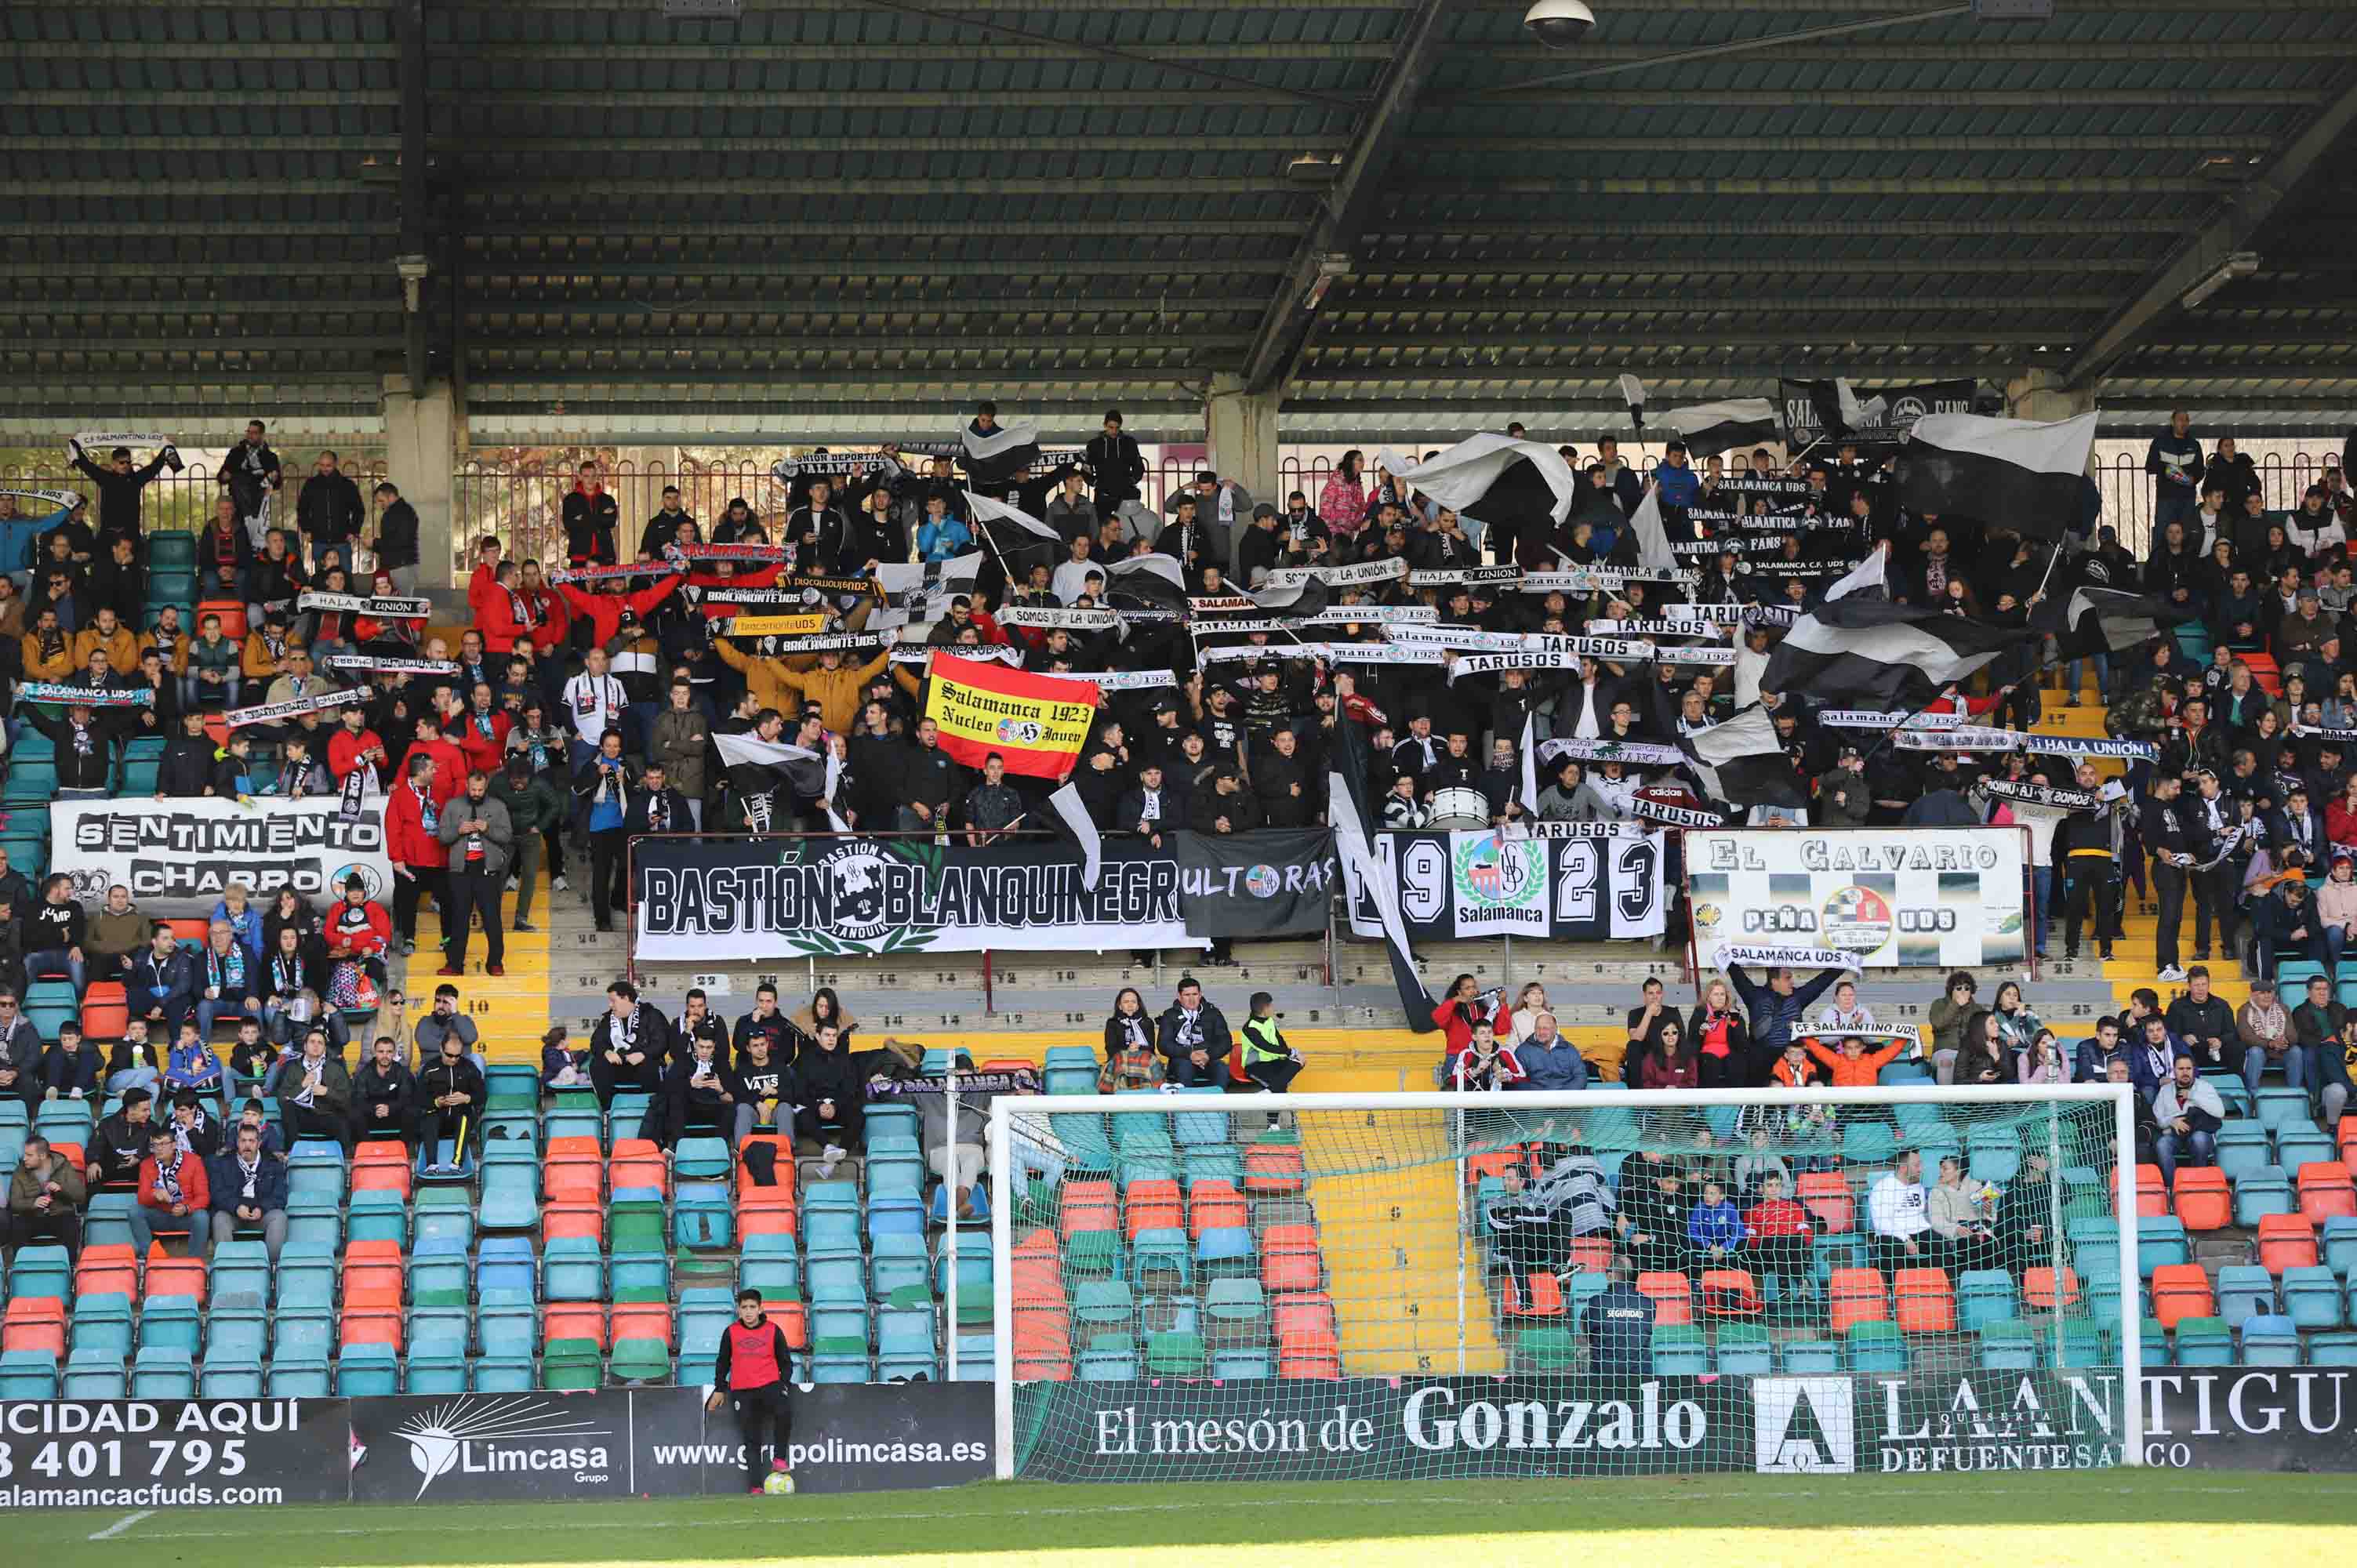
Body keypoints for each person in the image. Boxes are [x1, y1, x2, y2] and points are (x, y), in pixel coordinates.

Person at [707, 1288, 795, 1496]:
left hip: (770, 1385)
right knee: (751, 1438)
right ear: (738, 1310)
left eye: (752, 1307)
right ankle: (756, 1487)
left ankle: (779, 1458)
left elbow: (786, 1362)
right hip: (742, 1390)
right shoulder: (730, 1332)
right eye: (744, 1307)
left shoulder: (774, 1330)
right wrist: (720, 1388)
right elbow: (722, 1363)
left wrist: (783, 1384)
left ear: (760, 1309)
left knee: (784, 1412)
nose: (748, 1312)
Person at [435, 768, 513, 976]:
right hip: (460, 871)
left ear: (486, 787)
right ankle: (454, 964)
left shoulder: (498, 806)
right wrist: (458, 831)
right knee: (458, 919)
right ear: (467, 787)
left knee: (492, 919)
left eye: (480, 789)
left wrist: (488, 829)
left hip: (488, 871)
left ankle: (495, 963)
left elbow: (507, 836)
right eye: (473, 789)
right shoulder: (453, 805)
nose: (476, 792)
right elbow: (442, 835)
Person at [205, 1120, 288, 1261]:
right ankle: (226, 1264)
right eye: (243, 1141)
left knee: (279, 1217)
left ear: (259, 1143)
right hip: (233, 1214)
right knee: (219, 1218)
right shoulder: (223, 1163)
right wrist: (236, 1207)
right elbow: (217, 1193)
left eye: (251, 1141)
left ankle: (272, 1265)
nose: (247, 1145)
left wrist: (262, 1209)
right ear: (237, 1143)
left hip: (262, 1214)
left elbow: (280, 1196)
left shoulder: (273, 1165)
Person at [1725, 962, 1845, 1059]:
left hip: (1791, 1055)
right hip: (1762, 1057)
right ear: (1774, 981)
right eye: (1788, 978)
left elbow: (1823, 981)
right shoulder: (1755, 996)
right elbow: (1736, 974)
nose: (1793, 982)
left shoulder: (1798, 997)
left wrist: (1845, 961)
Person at [129, 1123, 210, 1256]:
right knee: (135, 1211)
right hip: (160, 1215)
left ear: (173, 1145)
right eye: (155, 1145)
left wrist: (187, 1208)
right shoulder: (146, 1164)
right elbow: (142, 1198)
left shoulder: (194, 1161)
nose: (158, 1149)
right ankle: (151, 1256)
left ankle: (195, 1261)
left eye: (163, 1144)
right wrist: (154, 1194)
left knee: (202, 1217)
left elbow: (203, 1197)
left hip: (186, 1216)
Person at [6, 1134, 85, 1261]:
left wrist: (61, 1189)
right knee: (17, 1227)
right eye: (25, 1154)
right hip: (31, 1216)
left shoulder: (64, 1167)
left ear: (42, 1156)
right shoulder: (20, 1171)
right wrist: (33, 1203)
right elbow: (15, 1202)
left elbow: (80, 1196)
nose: (24, 1159)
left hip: (60, 1214)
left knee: (71, 1227)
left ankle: (69, 1268)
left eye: (29, 1155)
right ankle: (20, 1267)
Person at [590, 982, 667, 1108]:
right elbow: (596, 1042)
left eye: (613, 1001)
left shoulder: (651, 1014)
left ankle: (651, 1110)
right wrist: (607, 1052)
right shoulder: (609, 1019)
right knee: (597, 1064)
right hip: (619, 1066)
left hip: (644, 1065)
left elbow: (662, 1042)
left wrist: (644, 1054)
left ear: (625, 998)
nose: (610, 1005)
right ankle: (609, 1110)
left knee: (650, 1064)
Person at [274, 1027, 352, 1152]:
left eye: (320, 1043)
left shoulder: (336, 1068)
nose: (316, 1045)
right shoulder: (292, 1067)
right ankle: (291, 1153)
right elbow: (282, 1098)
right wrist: (303, 1086)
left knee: (344, 1118)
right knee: (288, 1108)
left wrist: (327, 1092)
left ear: (325, 1049)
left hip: (327, 1116)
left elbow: (347, 1100)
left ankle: (347, 1158)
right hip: (302, 1118)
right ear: (305, 1047)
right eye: (312, 1042)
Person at [2152, 1055, 2224, 1185]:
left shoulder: (2205, 1087)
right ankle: (2173, 1188)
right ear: (2174, 1070)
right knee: (2162, 1144)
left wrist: (2193, 1096)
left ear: (2193, 1070)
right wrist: (2172, 1121)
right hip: (2175, 1135)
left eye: (2188, 1068)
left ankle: (2198, 1184)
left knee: (2199, 1140)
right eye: (2181, 1069)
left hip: (2200, 1132)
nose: (2185, 1072)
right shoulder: (2165, 1090)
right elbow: (2158, 1119)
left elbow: (2220, 1112)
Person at [416, 1032, 485, 1163]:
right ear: (441, 1049)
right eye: (450, 1055)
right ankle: (431, 1164)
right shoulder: (430, 1068)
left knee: (464, 1117)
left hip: (460, 1117)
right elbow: (418, 1098)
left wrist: (467, 1098)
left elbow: (482, 1095)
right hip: (437, 1116)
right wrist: (436, 1102)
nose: (454, 1059)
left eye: (457, 1056)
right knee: (429, 1117)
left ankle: (457, 1163)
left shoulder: (469, 1068)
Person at [1742, 1171, 1813, 1298]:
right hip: (1768, 1250)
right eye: (1769, 1185)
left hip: (1793, 1249)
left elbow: (1805, 1231)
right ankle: (1785, 1285)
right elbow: (1751, 1239)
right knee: (1780, 1241)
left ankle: (1802, 1283)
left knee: (1794, 1239)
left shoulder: (1794, 1207)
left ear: (1781, 1187)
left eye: (1777, 1185)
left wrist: (1804, 1243)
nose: (1774, 1189)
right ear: (1761, 1188)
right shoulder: (1753, 1211)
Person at [1926, 1155, 2000, 1275]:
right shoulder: (1936, 1192)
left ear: (1958, 1171)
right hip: (1957, 1231)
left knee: (1988, 1244)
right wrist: (1956, 1229)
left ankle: (1988, 1282)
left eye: (1945, 1169)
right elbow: (1936, 1221)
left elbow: (1991, 1217)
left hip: (1979, 1228)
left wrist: (1989, 1210)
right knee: (1972, 1244)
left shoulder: (1976, 1186)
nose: (1941, 1172)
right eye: (1940, 1168)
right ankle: (1972, 1283)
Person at [1582, 1260, 1656, 1379]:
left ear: (1611, 1275)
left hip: (1604, 1375)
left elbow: (1588, 1335)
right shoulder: (1648, 1303)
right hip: (1640, 1374)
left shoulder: (1596, 1303)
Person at [1865, 1148, 1933, 1277]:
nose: (1921, 1169)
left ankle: (1937, 1287)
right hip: (1892, 1235)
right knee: (1895, 1248)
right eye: (1917, 1165)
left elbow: (1921, 1218)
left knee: (1939, 1241)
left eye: (1921, 1164)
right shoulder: (1882, 1188)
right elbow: (1882, 1224)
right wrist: (1905, 1238)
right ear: (1903, 1168)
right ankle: (1898, 1290)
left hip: (1918, 1232)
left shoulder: (1918, 1186)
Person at [1157, 977, 1232, 1087]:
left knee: (1222, 1068)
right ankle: (1186, 1104)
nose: (1192, 999)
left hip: (1208, 1059)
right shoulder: (1169, 1015)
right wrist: (1189, 1054)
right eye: (1187, 995)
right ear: (1179, 997)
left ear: (1200, 995)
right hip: (1182, 1059)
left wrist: (1208, 1055)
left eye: (1195, 994)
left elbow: (1225, 1041)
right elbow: (1164, 1044)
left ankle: (1217, 1103)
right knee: (1184, 1068)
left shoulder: (1213, 1013)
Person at [2237, 975, 2304, 1099]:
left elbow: (2292, 1033)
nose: (2267, 996)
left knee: (2296, 1051)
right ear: (2253, 995)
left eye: (2270, 992)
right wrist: (2270, 1044)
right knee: (2255, 1052)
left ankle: (2295, 1093)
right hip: (2260, 1050)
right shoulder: (2244, 1010)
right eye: (2262, 993)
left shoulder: (2283, 1008)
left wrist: (2285, 1041)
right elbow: (2246, 1036)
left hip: (2281, 1050)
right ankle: (2252, 1094)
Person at [350, 1035, 417, 1149]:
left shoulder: (402, 1072)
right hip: (372, 1115)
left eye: (389, 1052)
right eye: (381, 1051)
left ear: (394, 1053)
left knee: (411, 1111)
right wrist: (375, 1109)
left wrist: (389, 1108)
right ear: (374, 1052)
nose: (385, 1056)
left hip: (395, 1115)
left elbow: (406, 1098)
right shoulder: (364, 1073)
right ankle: (367, 1150)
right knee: (354, 1114)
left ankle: (403, 1149)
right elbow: (359, 1100)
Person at [1236, 992, 1302, 1098]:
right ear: (1265, 1008)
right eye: (1271, 1006)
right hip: (1256, 1066)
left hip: (1273, 1062)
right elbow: (1266, 1047)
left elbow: (1279, 1039)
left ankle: (1269, 1091)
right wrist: (1290, 1052)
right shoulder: (1249, 1028)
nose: (1273, 1009)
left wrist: (1289, 1054)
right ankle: (1273, 1107)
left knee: (1299, 1061)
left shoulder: (1269, 1021)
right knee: (1280, 1087)